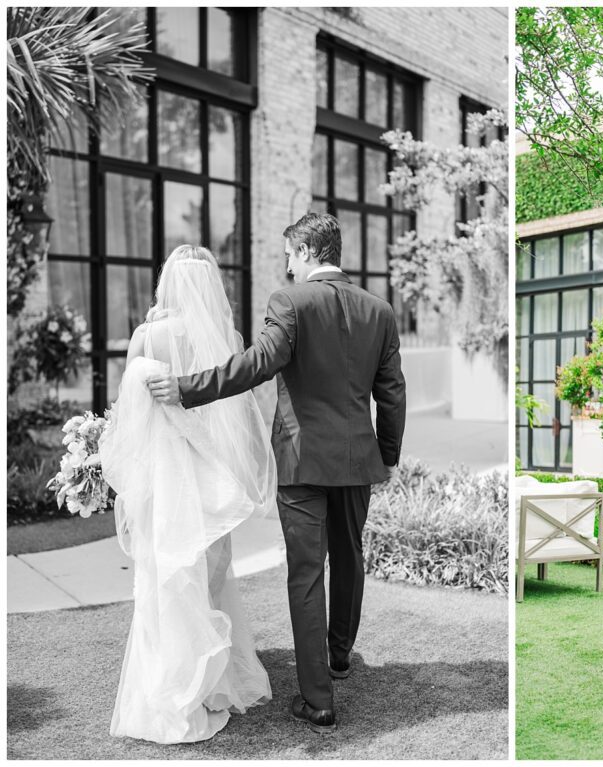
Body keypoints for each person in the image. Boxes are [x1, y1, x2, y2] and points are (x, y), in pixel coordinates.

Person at [145, 212, 407, 733]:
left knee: (307, 573)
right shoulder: (380, 311)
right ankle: (338, 656)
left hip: (301, 460)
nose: (286, 265)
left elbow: (257, 363)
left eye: (290, 254)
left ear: (308, 252)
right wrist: (389, 454)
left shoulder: (288, 302)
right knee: (350, 557)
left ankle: (319, 700)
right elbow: (392, 392)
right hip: (358, 460)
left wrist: (187, 388)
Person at [101, 245, 275, 743]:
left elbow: (127, 417)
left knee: (167, 580)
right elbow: (239, 414)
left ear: (167, 284)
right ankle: (216, 685)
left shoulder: (146, 335)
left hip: (166, 479)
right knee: (213, 576)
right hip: (211, 478)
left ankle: (175, 688)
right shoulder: (229, 337)